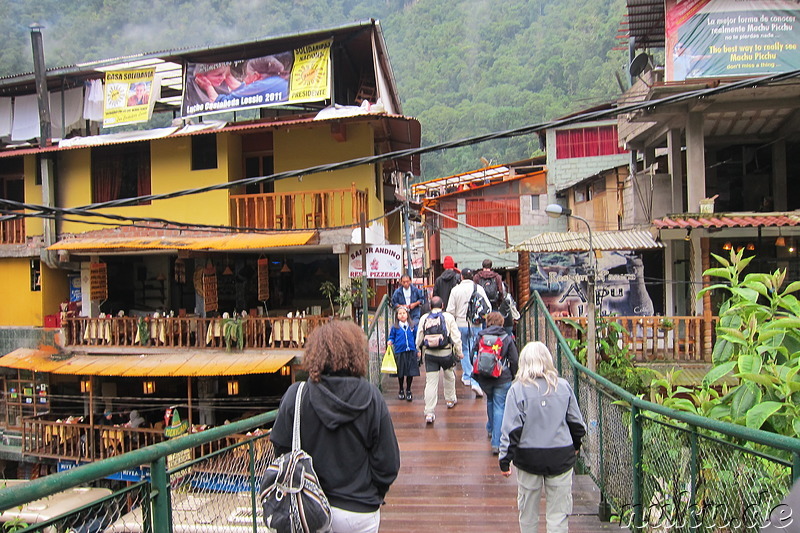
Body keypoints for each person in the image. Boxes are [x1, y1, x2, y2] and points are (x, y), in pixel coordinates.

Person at [270, 320, 400, 532]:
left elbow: (281, 450)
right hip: (359, 510)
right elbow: (389, 462)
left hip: (307, 509)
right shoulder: (371, 397)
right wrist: (371, 493)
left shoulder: (297, 396)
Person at [499, 342, 586, 533]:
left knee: (528, 513)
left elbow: (511, 429)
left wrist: (505, 460)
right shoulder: (563, 386)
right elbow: (577, 424)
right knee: (559, 515)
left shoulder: (517, 390)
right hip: (561, 456)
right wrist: (576, 444)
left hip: (529, 458)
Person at [472, 312, 519, 455]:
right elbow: (514, 359)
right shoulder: (507, 337)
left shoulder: (481, 336)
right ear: (501, 323)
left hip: (484, 378)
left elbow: (472, 354)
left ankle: (491, 429)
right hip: (502, 377)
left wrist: (477, 373)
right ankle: (496, 443)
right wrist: (513, 374)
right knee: (500, 406)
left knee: (490, 400)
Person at [416, 296, 462, 424]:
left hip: (430, 354)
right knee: (449, 376)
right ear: (443, 306)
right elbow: (456, 336)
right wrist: (459, 351)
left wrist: (418, 349)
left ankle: (429, 412)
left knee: (431, 382)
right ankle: (450, 399)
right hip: (446, 352)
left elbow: (420, 335)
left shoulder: (424, 318)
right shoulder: (448, 317)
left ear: (430, 307)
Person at [446, 268, 490, 397]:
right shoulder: (479, 289)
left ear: (462, 277)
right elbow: (488, 307)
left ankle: (467, 376)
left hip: (460, 324)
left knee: (464, 350)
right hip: (476, 324)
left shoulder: (455, 290)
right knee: (476, 349)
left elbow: (450, 310)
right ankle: (476, 377)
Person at [213, 56, 289, 103]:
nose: (244, 79)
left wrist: (207, 86)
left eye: (246, 75)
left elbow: (224, 102)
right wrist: (228, 76)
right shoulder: (277, 80)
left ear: (256, 75)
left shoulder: (259, 86)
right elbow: (244, 90)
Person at [387, 306, 420, 401]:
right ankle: (401, 389)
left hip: (411, 351)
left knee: (410, 372)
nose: (402, 315)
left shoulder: (412, 326)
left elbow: (416, 339)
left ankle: (408, 389)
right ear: (397, 316)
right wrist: (390, 341)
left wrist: (417, 350)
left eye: (404, 313)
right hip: (400, 351)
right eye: (400, 313)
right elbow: (391, 337)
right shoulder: (395, 327)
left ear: (407, 314)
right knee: (400, 371)